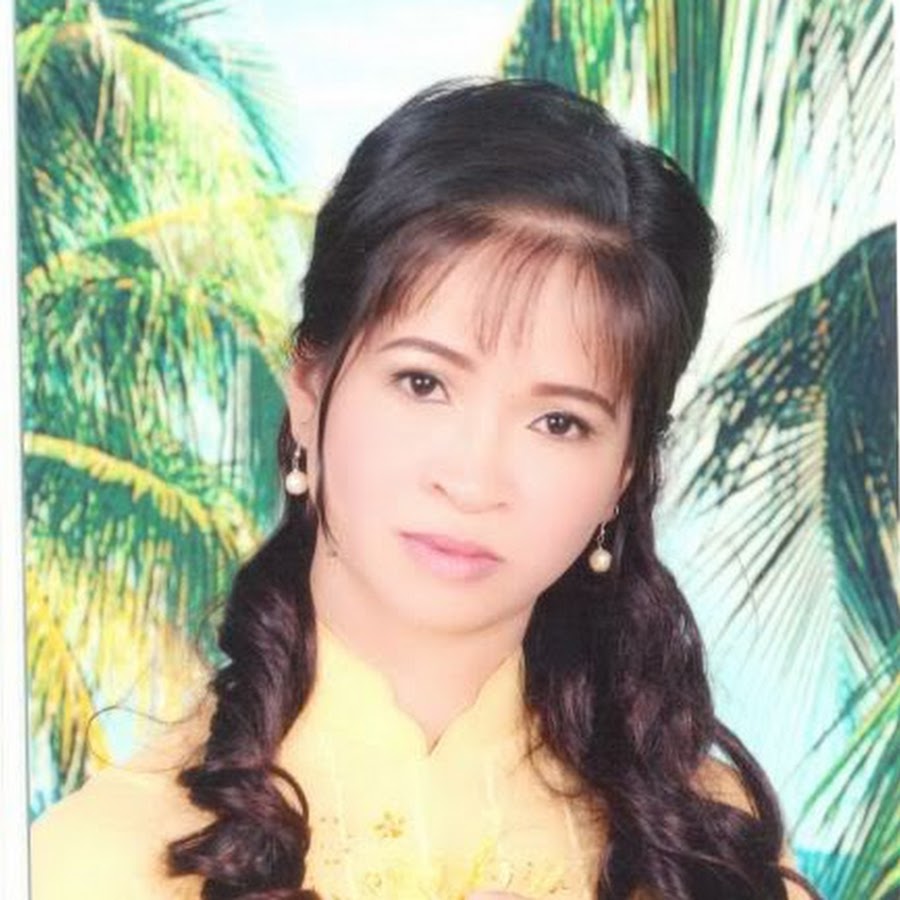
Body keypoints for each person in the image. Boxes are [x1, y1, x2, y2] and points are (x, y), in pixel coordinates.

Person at [31, 79, 821, 900]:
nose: (473, 480)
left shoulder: (712, 856)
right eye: (423, 382)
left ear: (624, 474)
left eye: (559, 422)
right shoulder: (97, 863)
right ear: (309, 390)